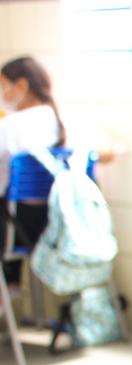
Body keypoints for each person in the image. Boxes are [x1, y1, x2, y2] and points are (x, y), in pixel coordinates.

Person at [0, 56, 65, 286]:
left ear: (21, 86)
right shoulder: (57, 120)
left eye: (3, 87)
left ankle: (8, 289)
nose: (2, 95)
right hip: (52, 223)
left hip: (15, 227)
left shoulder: (10, 125)